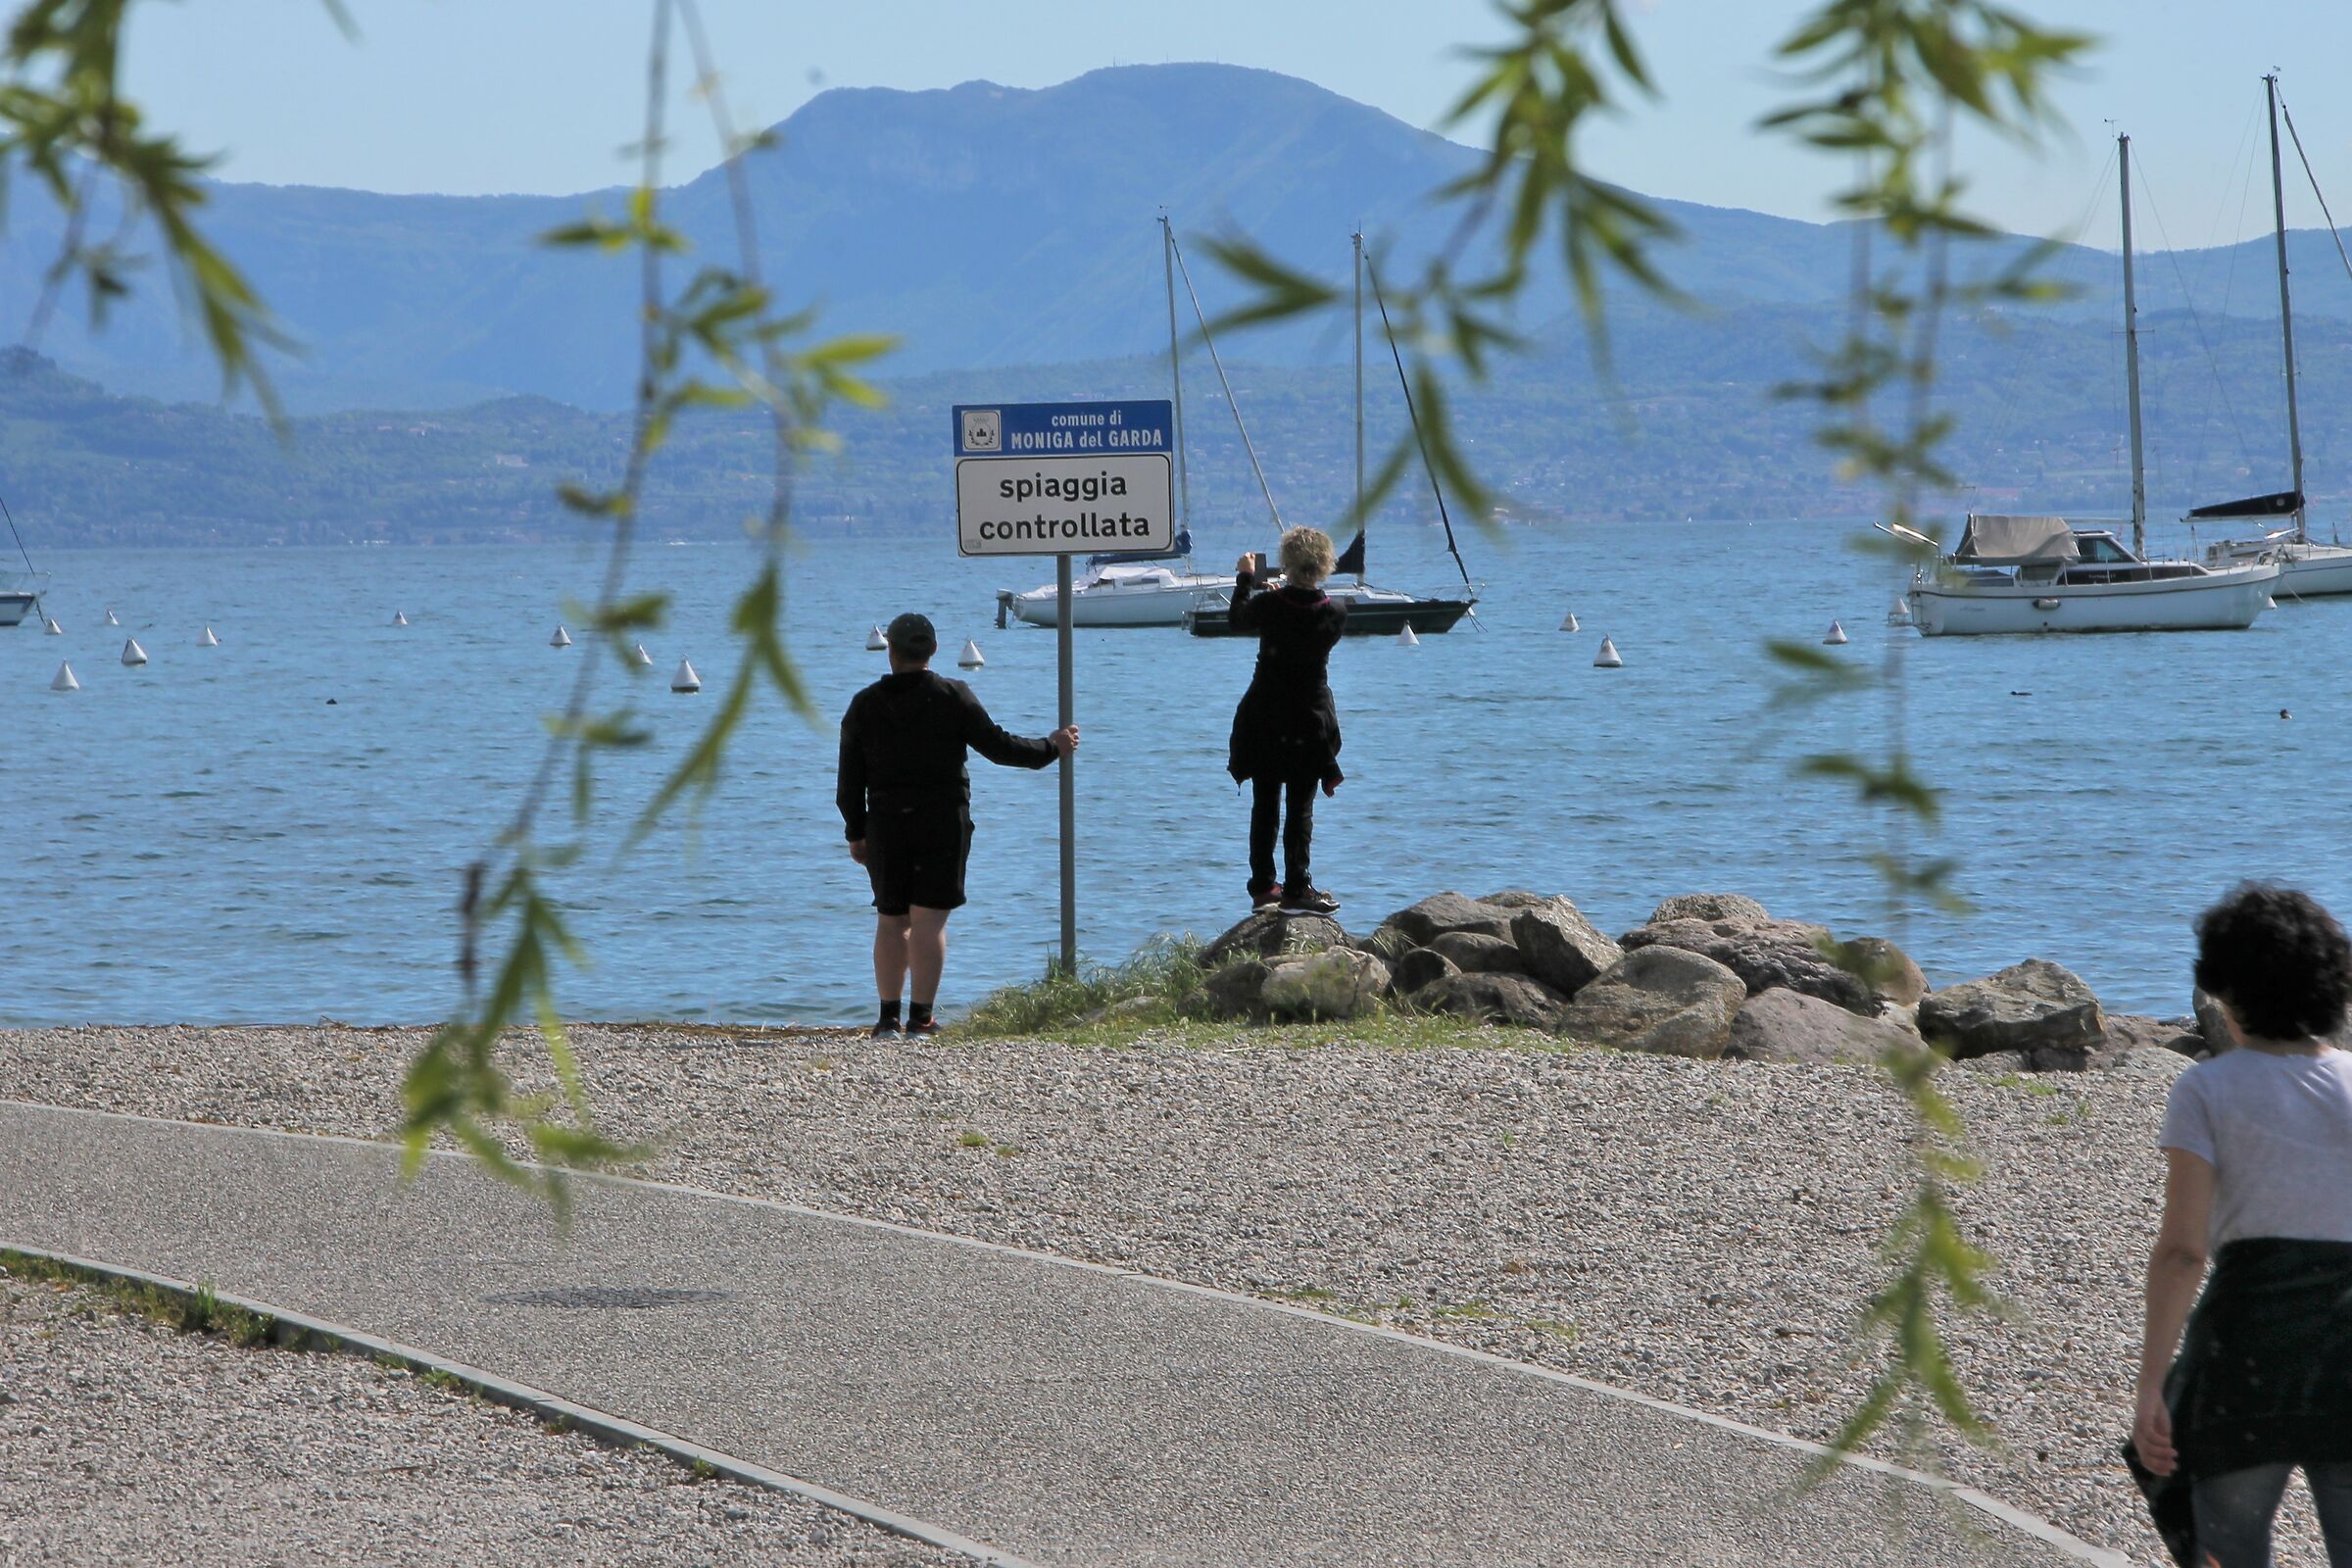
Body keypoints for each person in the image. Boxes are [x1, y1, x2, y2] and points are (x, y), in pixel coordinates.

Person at [2131, 882, 2352, 1567]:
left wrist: (2151, 1386)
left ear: (2227, 994)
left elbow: (2183, 1252)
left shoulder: (2208, 1088)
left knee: (2228, 1550)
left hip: (2246, 1354)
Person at [837, 612, 1077, 1038]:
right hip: (942, 821)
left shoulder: (864, 704)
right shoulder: (953, 695)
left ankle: (888, 1020)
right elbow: (1000, 747)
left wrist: (856, 832)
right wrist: (1050, 748)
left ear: (891, 652)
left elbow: (849, 782)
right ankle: (921, 1019)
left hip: (886, 825)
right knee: (928, 922)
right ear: (933, 649)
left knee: (891, 919)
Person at [1226, 525, 1346, 915]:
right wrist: (1283, 597)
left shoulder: (1269, 605)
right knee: (1300, 808)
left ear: (1286, 563)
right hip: (1309, 720)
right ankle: (1297, 887)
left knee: (1265, 804)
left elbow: (1238, 620)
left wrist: (1245, 579)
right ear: (1325, 564)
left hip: (1265, 716)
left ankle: (1263, 887)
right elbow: (1302, 622)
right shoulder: (1335, 612)